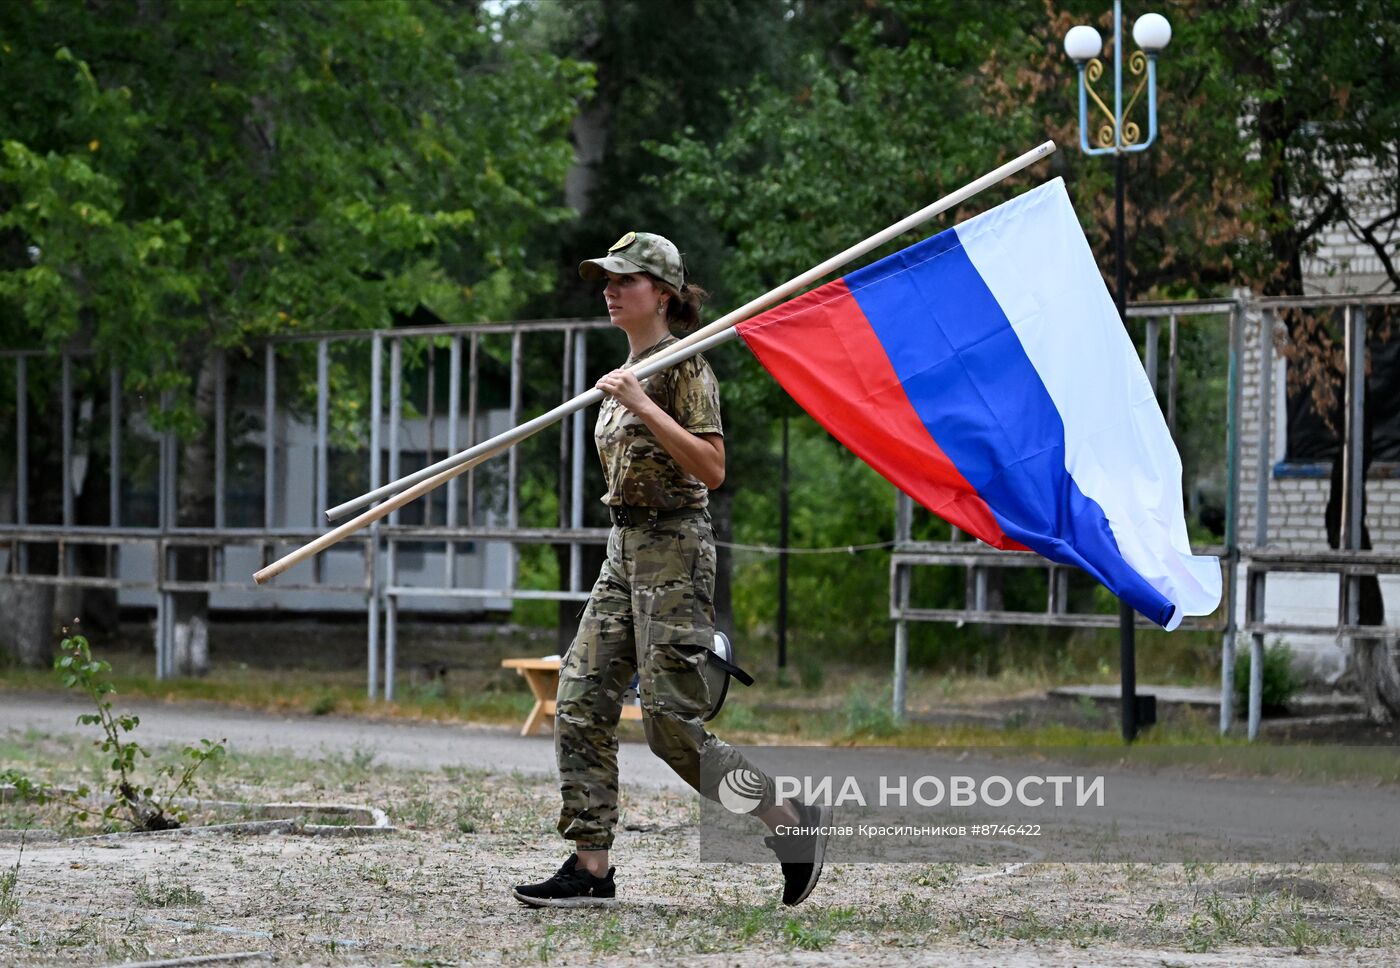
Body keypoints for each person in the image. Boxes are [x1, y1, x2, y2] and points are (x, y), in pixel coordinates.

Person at [512, 231, 830, 910]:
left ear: (661, 292)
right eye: (606, 278)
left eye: (623, 279)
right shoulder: (622, 374)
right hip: (624, 549)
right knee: (578, 698)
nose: (609, 289)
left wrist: (644, 405)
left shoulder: (684, 367)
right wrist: (626, 396)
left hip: (676, 551)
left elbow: (712, 469)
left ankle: (786, 820)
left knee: (670, 728)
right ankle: (591, 867)